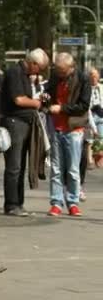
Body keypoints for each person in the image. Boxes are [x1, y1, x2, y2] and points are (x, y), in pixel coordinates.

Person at [0, 48, 49, 217]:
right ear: (33, 63)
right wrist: (36, 103)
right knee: (14, 166)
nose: (40, 71)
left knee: (20, 166)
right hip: (14, 122)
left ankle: (18, 203)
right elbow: (18, 99)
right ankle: (12, 204)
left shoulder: (27, 76)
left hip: (24, 123)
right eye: (40, 67)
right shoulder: (15, 73)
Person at [45, 53, 91, 217]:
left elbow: (84, 105)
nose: (60, 74)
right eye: (58, 71)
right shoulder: (55, 76)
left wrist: (62, 108)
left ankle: (73, 202)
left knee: (72, 169)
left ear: (71, 68)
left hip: (74, 128)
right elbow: (48, 93)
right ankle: (56, 202)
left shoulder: (83, 79)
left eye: (63, 71)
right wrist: (46, 99)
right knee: (56, 168)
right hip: (57, 127)